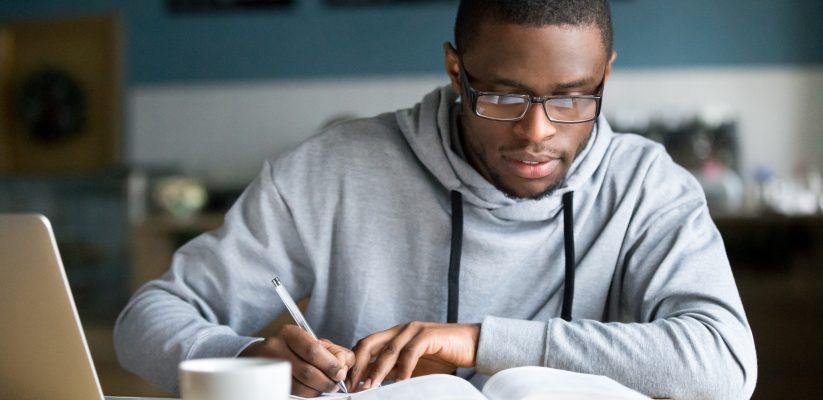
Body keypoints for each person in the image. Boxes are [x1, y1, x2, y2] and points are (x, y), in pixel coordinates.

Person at [114, 1, 757, 399]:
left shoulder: (648, 186)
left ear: (605, 75)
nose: (538, 131)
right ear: (456, 71)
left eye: (572, 98)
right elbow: (150, 318)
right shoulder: (333, 169)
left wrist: (477, 342)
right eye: (503, 95)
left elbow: (725, 364)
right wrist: (247, 359)